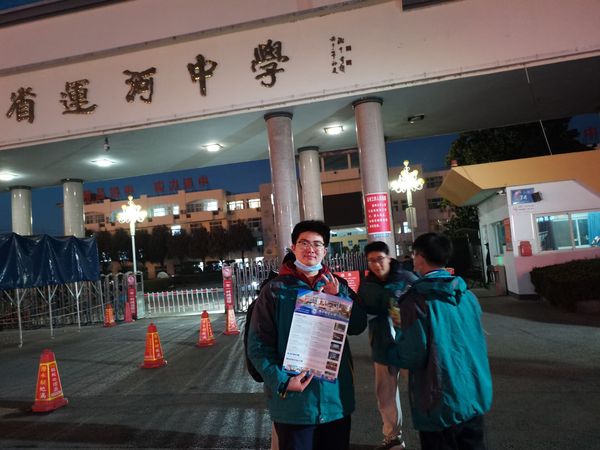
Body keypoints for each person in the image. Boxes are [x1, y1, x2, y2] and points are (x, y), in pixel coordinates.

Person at [247, 220, 367, 450]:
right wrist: (283, 381)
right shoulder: (274, 290)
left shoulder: (337, 285)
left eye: (317, 244)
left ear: (325, 250)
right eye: (304, 243)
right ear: (293, 248)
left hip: (335, 402)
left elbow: (358, 326)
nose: (310, 249)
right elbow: (257, 346)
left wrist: (338, 298)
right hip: (295, 405)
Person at [388, 233, 493, 450]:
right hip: (474, 392)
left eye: (414, 254)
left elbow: (412, 354)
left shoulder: (416, 300)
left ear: (420, 257)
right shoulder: (467, 295)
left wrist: (397, 336)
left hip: (439, 399)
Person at [358, 241, 418, 450]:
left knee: (420, 391)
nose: (376, 265)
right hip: (382, 346)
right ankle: (393, 438)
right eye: (371, 261)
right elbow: (361, 312)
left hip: (410, 346)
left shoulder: (407, 279)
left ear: (389, 258)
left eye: (380, 259)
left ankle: (433, 433)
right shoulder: (366, 285)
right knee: (385, 396)